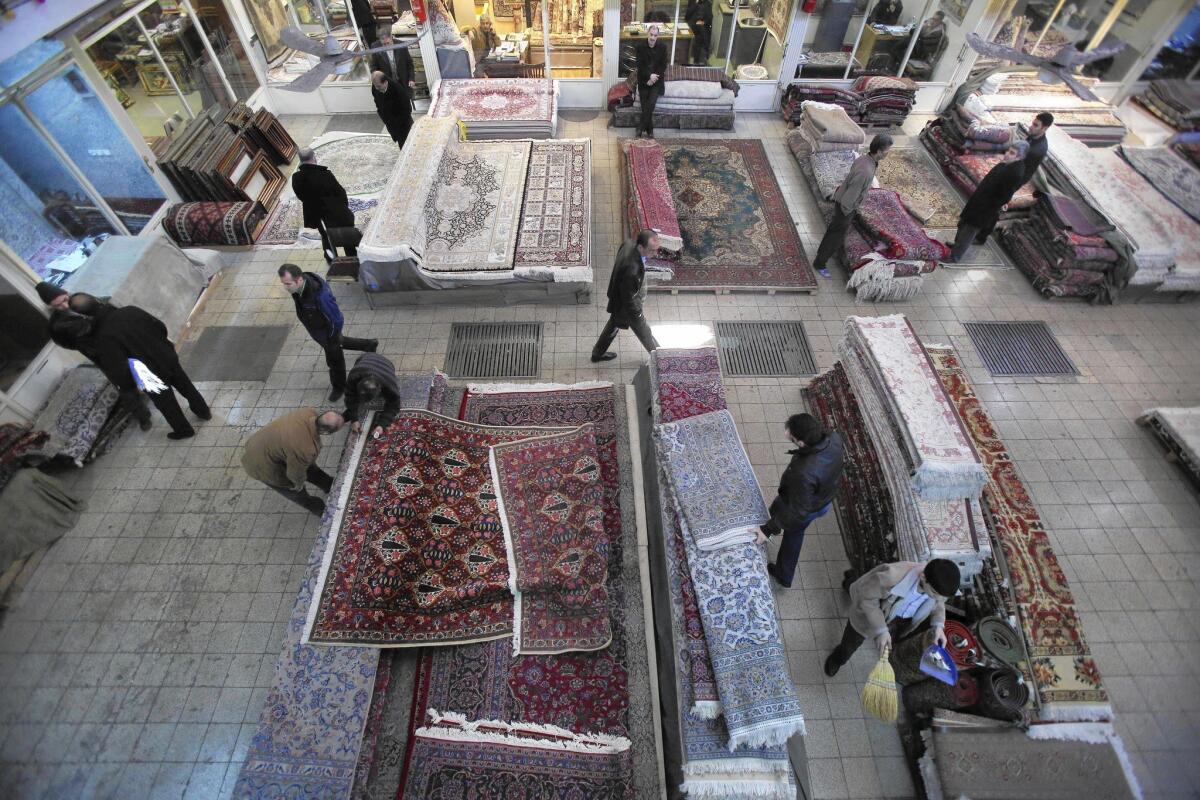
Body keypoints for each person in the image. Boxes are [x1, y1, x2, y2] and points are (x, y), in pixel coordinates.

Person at [66, 293, 210, 440]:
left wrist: (128, 386)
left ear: (83, 315)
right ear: (97, 300)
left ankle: (184, 430)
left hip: (147, 373)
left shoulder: (102, 337)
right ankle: (203, 411)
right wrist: (162, 346)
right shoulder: (130, 310)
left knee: (167, 403)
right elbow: (160, 326)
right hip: (165, 356)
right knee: (186, 385)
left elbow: (118, 365)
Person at [824, 558, 961, 677]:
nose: (939, 599)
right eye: (935, 593)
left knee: (860, 587)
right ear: (923, 577)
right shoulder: (892, 577)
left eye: (943, 597)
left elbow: (939, 603)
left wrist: (938, 626)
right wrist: (882, 630)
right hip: (867, 615)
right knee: (850, 642)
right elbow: (867, 599)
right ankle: (838, 658)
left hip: (892, 613)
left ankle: (851, 582)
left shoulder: (936, 589)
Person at [760, 413, 845, 589]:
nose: (786, 433)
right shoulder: (832, 438)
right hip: (823, 496)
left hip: (808, 505)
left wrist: (769, 528)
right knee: (782, 507)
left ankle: (784, 574)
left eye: (790, 435)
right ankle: (770, 525)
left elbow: (798, 510)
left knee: (794, 532)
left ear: (800, 443)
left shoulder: (805, 472)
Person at [278, 264, 378, 403]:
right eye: (284, 283)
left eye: (288, 284)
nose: (286, 287)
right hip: (320, 332)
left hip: (327, 333)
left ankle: (339, 387)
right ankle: (369, 344)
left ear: (299, 280)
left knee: (334, 361)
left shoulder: (319, 296)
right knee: (340, 341)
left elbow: (336, 319)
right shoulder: (299, 287)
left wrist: (331, 338)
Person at [812, 133, 893, 278]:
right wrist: (848, 212)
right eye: (887, 150)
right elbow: (851, 195)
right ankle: (820, 263)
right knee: (835, 235)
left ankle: (823, 254)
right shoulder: (865, 171)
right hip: (845, 206)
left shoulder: (865, 159)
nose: (888, 153)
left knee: (834, 232)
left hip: (844, 201)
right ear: (879, 151)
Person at [242, 408, 345, 515]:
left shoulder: (307, 412)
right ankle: (322, 511)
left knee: (308, 466)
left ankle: (329, 484)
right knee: (296, 492)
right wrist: (298, 485)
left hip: (261, 444)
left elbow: (302, 461)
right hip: (261, 465)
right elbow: (295, 474)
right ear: (326, 432)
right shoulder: (306, 448)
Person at [946, 140, 1029, 263]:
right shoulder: (1008, 164)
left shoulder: (1015, 173)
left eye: (1011, 153)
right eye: (1008, 151)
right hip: (979, 200)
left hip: (985, 208)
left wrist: (986, 206)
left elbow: (1004, 197)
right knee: (963, 224)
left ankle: (955, 256)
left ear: (1019, 157)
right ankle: (956, 245)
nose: (1006, 154)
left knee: (969, 231)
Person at [591, 229, 661, 362]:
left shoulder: (628, 244)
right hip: (627, 307)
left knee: (613, 325)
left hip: (618, 298)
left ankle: (597, 353)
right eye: (652, 250)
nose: (656, 254)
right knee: (645, 333)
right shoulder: (632, 270)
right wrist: (637, 313)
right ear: (640, 247)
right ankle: (660, 359)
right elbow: (628, 299)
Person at [290, 147, 357, 264]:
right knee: (346, 233)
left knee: (325, 236)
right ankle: (352, 256)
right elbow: (340, 193)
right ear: (314, 157)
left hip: (316, 214)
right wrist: (344, 207)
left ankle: (330, 259)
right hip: (336, 211)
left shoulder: (296, 178)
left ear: (300, 160)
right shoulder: (325, 175)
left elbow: (300, 196)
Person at [343, 352, 401, 434]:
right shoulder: (353, 376)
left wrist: (382, 425)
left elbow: (394, 407)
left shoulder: (390, 385)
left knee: (391, 398)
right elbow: (350, 397)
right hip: (365, 357)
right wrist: (354, 419)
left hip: (387, 364)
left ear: (380, 389)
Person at [635, 24, 669, 138]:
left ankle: (640, 127)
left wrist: (653, 78)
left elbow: (663, 66)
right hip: (644, 80)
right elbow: (640, 65)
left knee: (651, 103)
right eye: (651, 34)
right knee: (645, 105)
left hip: (656, 81)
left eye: (655, 35)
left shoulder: (663, 47)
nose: (653, 38)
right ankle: (650, 129)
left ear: (658, 36)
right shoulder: (640, 47)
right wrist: (649, 76)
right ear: (647, 34)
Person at [371, 69, 414, 149]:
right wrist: (385, 119)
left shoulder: (398, 90)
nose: (377, 89)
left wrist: (399, 124)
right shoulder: (375, 87)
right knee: (399, 141)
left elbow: (407, 109)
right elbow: (378, 104)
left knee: (407, 144)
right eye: (375, 86)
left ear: (385, 82)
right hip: (390, 123)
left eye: (379, 86)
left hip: (403, 123)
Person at [1022, 112, 1053, 184]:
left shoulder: (1037, 149)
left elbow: (1021, 167)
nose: (1030, 127)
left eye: (1035, 125)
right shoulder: (1034, 136)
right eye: (1032, 123)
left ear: (1044, 128)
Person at [684, 0, 713, 65]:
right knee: (699, 32)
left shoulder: (708, 4)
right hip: (692, 24)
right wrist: (695, 4)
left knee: (702, 32)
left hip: (702, 25)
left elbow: (710, 18)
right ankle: (696, 59)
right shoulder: (692, 2)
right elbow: (687, 16)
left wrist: (703, 22)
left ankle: (698, 60)